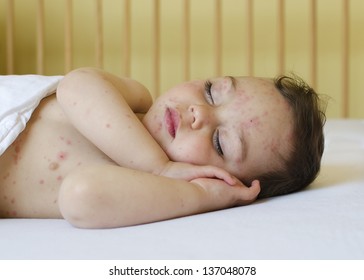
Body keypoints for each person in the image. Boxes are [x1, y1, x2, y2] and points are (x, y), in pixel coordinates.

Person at [0, 67, 326, 228]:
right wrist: (158, 165)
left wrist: (198, 196)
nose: (200, 112)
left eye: (219, 142)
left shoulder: (137, 189)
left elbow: (80, 196)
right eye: (212, 91)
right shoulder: (137, 99)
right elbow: (75, 85)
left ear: (221, 180)